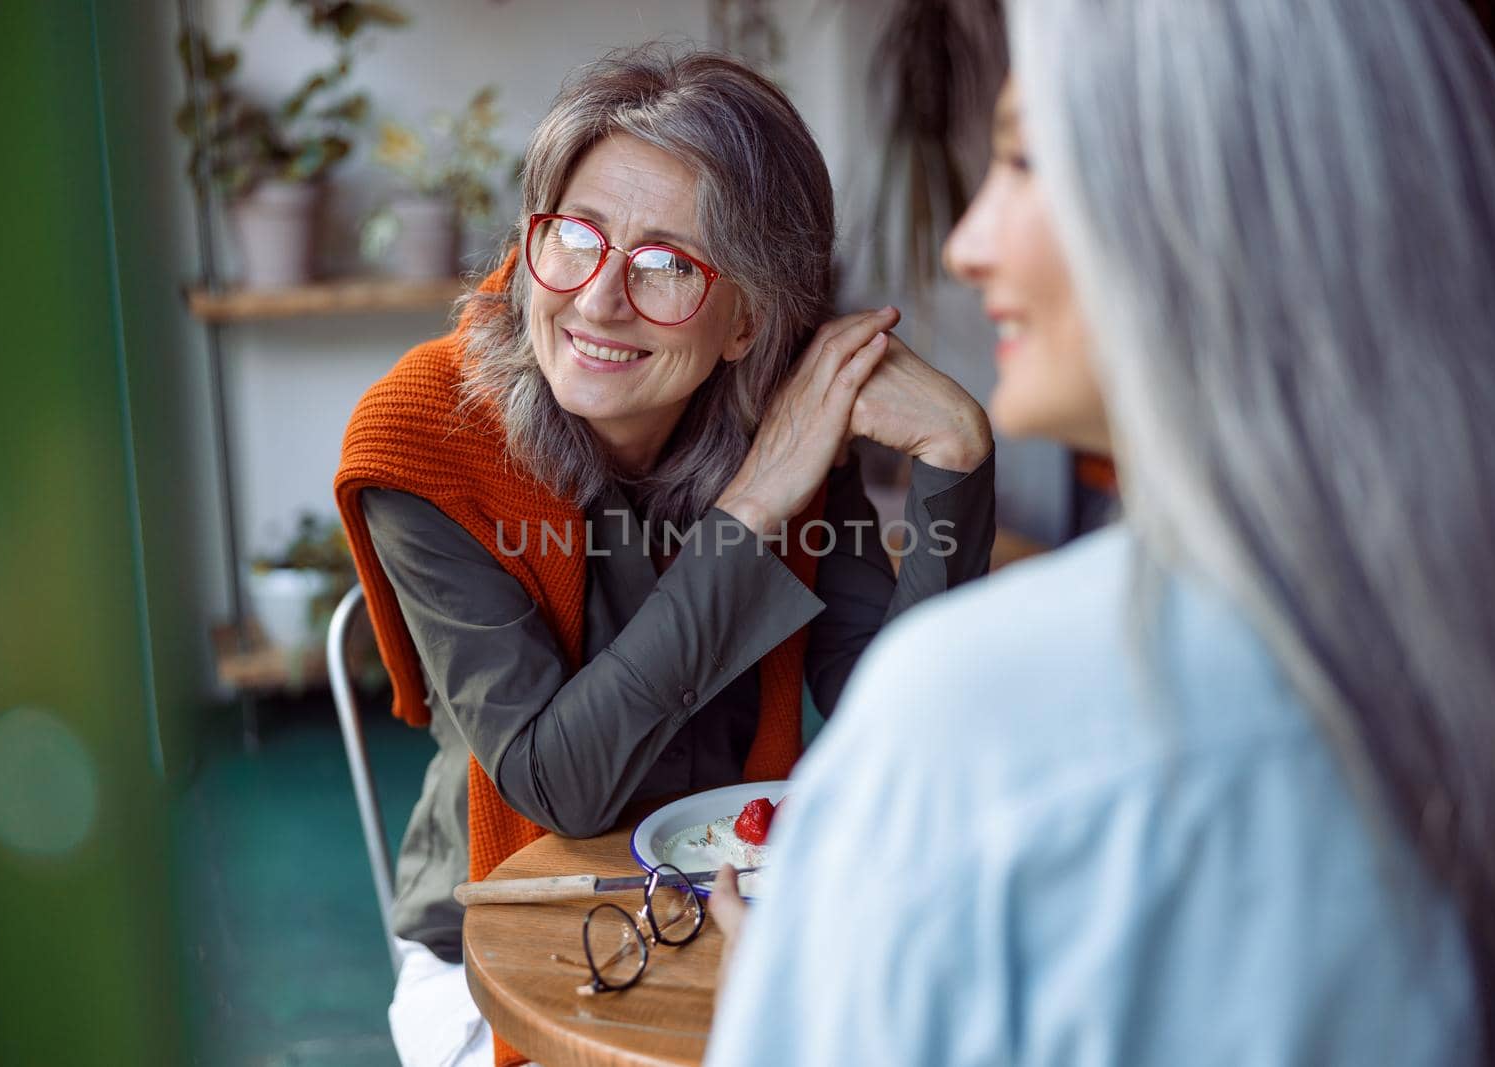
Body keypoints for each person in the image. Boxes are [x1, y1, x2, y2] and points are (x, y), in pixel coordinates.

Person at [705, 0, 1495, 1063]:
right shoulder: (1472, 642)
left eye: (1026, 159)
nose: (964, 244)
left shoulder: (976, 714)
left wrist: (800, 979)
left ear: (1230, 194)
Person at [333, 45, 997, 1067]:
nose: (597, 301)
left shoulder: (791, 410)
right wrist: (756, 504)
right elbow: (562, 784)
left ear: (749, 318)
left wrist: (958, 460)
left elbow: (900, 725)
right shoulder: (428, 432)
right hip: (506, 922)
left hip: (737, 900)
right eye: (575, 239)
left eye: (667, 266)